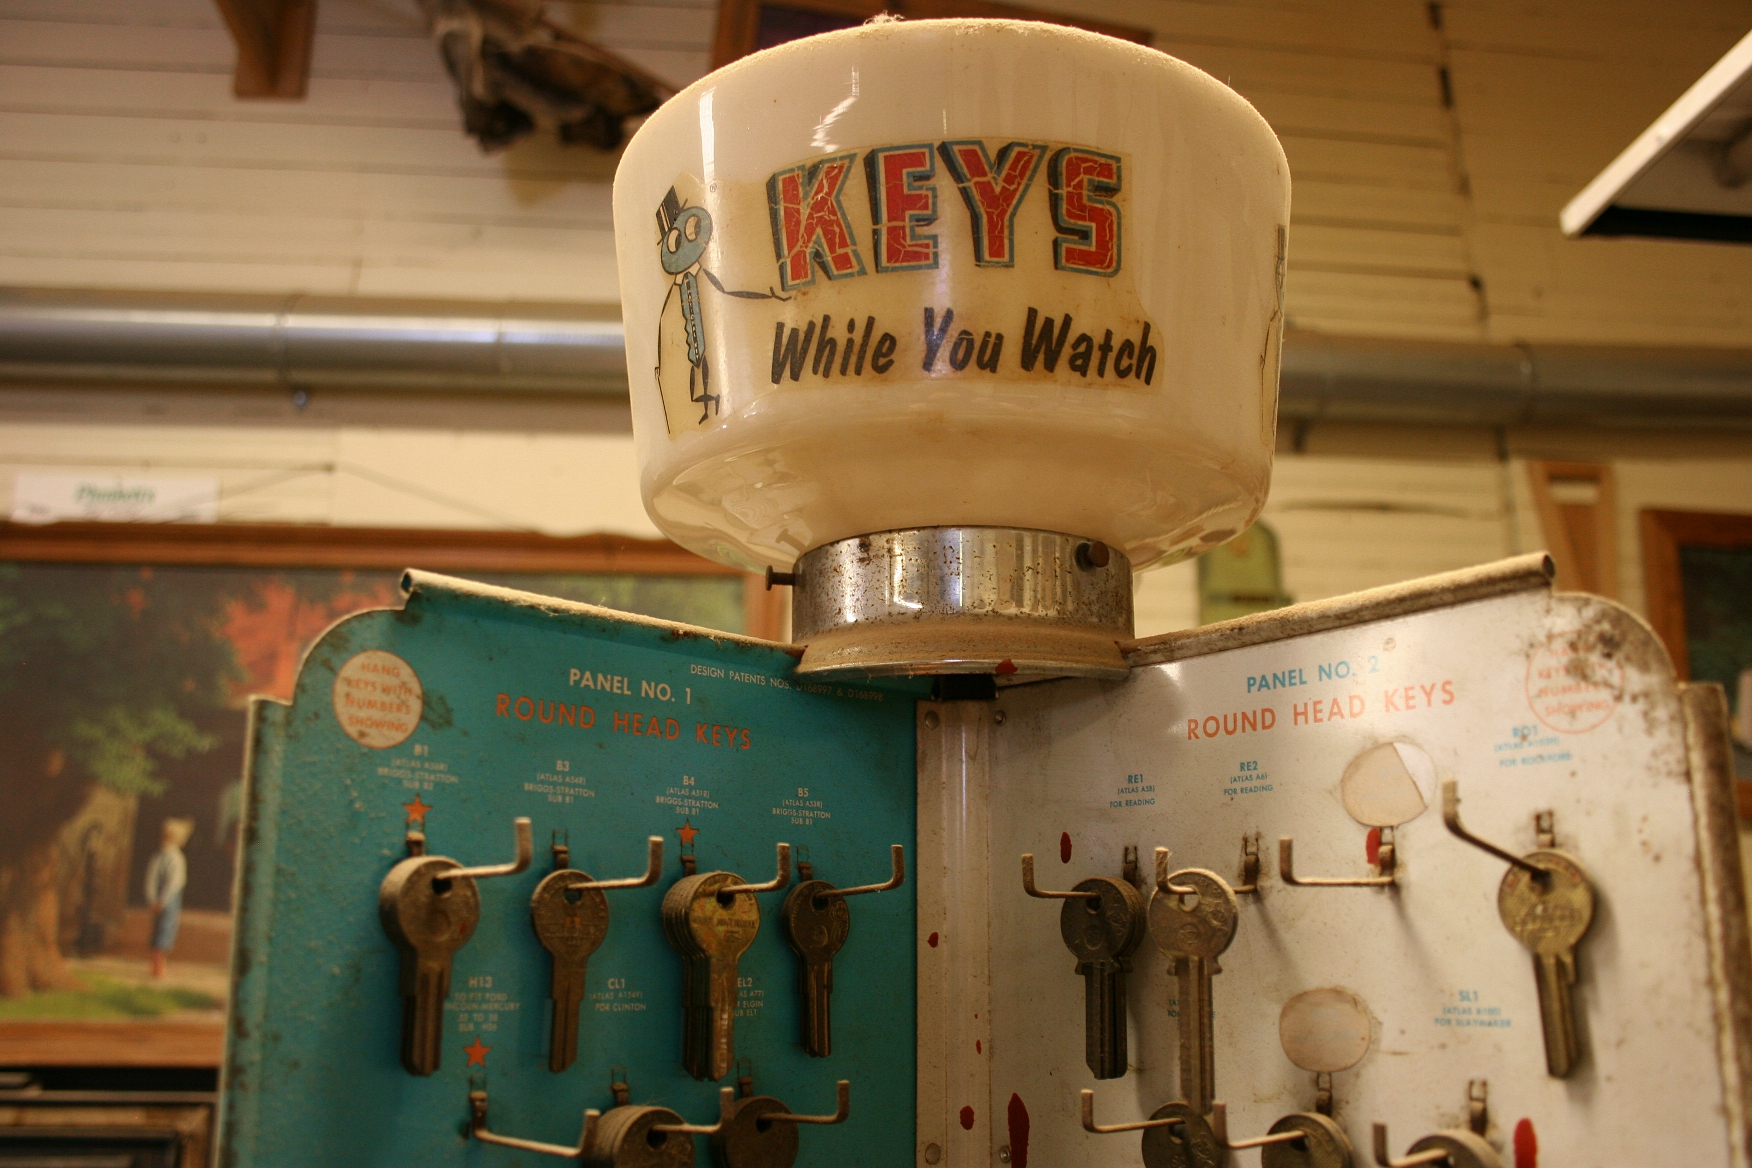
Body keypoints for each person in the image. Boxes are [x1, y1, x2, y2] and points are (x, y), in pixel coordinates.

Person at [144, 818, 193, 979]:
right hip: (170, 900)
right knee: (166, 930)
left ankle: (155, 965)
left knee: (158, 929)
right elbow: (174, 884)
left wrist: (153, 899)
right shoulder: (177, 859)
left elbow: (150, 880)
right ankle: (158, 967)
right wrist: (163, 901)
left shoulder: (158, 857)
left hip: (158, 899)